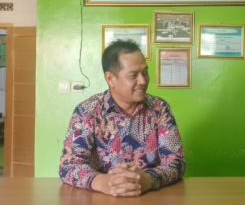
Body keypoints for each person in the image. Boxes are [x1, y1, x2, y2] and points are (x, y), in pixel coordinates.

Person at [59, 39, 184, 196]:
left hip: (150, 197)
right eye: (133, 75)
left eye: (145, 72)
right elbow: (68, 165)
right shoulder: (87, 111)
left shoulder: (160, 108)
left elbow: (176, 161)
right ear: (110, 79)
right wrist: (103, 182)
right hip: (101, 199)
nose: (143, 81)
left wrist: (149, 179)